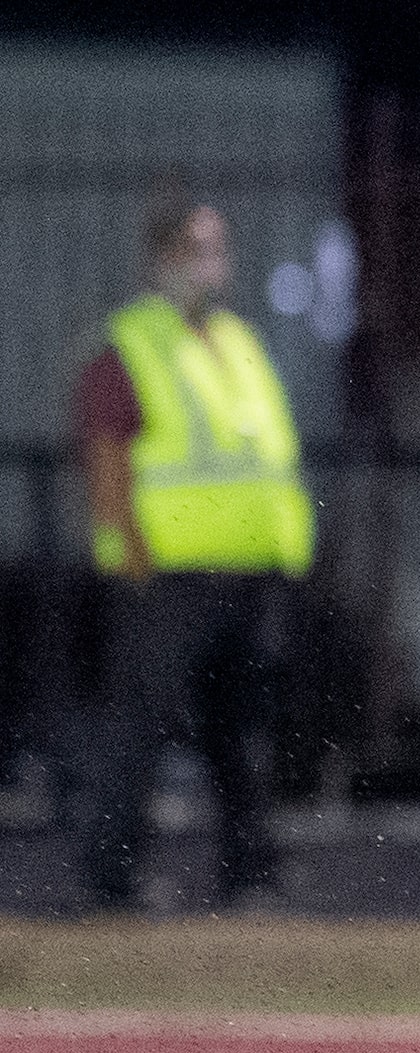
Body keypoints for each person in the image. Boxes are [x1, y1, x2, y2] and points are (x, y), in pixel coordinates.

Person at [70, 191, 314, 909]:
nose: (214, 264)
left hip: (248, 573)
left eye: (218, 248)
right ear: (164, 257)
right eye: (199, 248)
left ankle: (249, 872)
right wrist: (128, 547)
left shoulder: (237, 339)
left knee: (238, 735)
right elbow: (107, 453)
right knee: (139, 728)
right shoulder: (134, 342)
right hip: (167, 574)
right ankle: (112, 877)